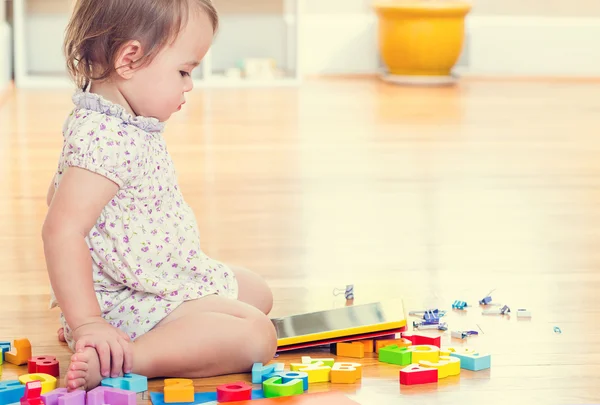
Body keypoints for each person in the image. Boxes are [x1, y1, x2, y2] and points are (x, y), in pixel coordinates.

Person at [42, 0, 277, 392]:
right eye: (184, 71)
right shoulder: (106, 138)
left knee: (256, 291)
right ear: (129, 60)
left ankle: (115, 332)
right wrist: (87, 320)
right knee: (257, 335)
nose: (189, 85)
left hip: (152, 277)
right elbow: (60, 229)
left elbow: (55, 193)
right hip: (124, 300)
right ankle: (124, 356)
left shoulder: (119, 120)